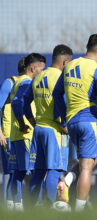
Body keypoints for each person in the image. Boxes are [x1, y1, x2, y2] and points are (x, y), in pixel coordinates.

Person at [53, 34, 97, 211]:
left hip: (72, 123)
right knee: (87, 167)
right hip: (90, 120)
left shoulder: (70, 65)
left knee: (88, 162)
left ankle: (67, 181)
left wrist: (65, 117)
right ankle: (79, 210)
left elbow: (57, 94)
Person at [20, 45, 73, 207]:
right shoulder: (60, 78)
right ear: (65, 62)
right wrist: (63, 123)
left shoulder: (38, 76)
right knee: (54, 170)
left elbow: (24, 102)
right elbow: (60, 103)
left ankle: (33, 207)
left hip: (39, 129)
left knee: (39, 170)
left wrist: (33, 120)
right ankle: (52, 207)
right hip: (54, 131)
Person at [10, 53, 46, 211]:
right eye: (42, 69)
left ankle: (16, 206)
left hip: (17, 134)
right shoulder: (26, 82)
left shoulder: (18, 82)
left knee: (18, 173)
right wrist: (24, 122)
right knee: (32, 171)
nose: (43, 73)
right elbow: (17, 103)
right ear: (33, 68)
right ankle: (35, 205)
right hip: (26, 135)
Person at [0, 57, 25, 208]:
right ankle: (16, 205)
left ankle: (13, 206)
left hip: (21, 135)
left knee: (19, 171)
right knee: (15, 171)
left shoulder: (29, 84)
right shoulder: (9, 83)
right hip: (9, 135)